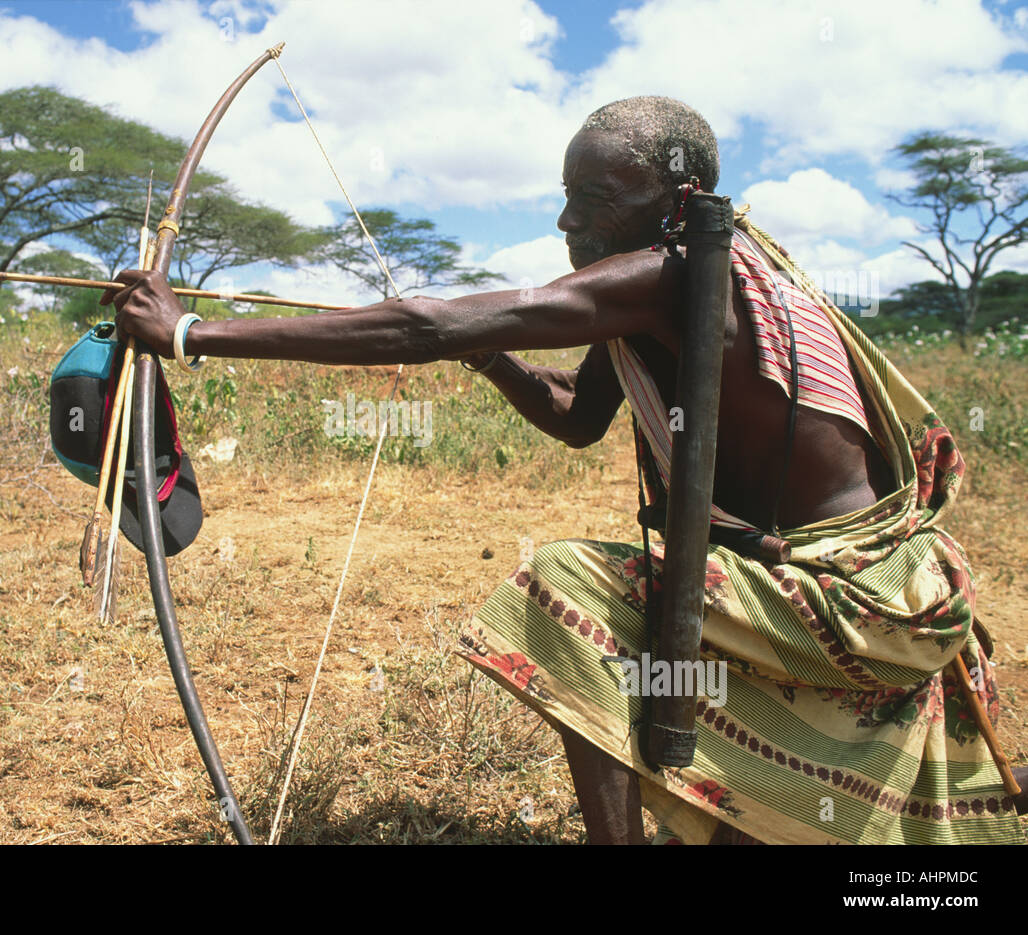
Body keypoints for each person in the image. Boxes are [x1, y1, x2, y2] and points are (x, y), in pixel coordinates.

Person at [108, 96, 1025, 845]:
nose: (566, 218)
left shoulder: (676, 275)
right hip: (820, 581)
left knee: (561, 587)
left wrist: (190, 333)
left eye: (595, 196)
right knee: (644, 609)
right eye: (566, 192)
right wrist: (488, 353)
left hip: (853, 593)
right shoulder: (676, 286)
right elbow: (576, 417)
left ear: (679, 200)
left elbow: (432, 323)